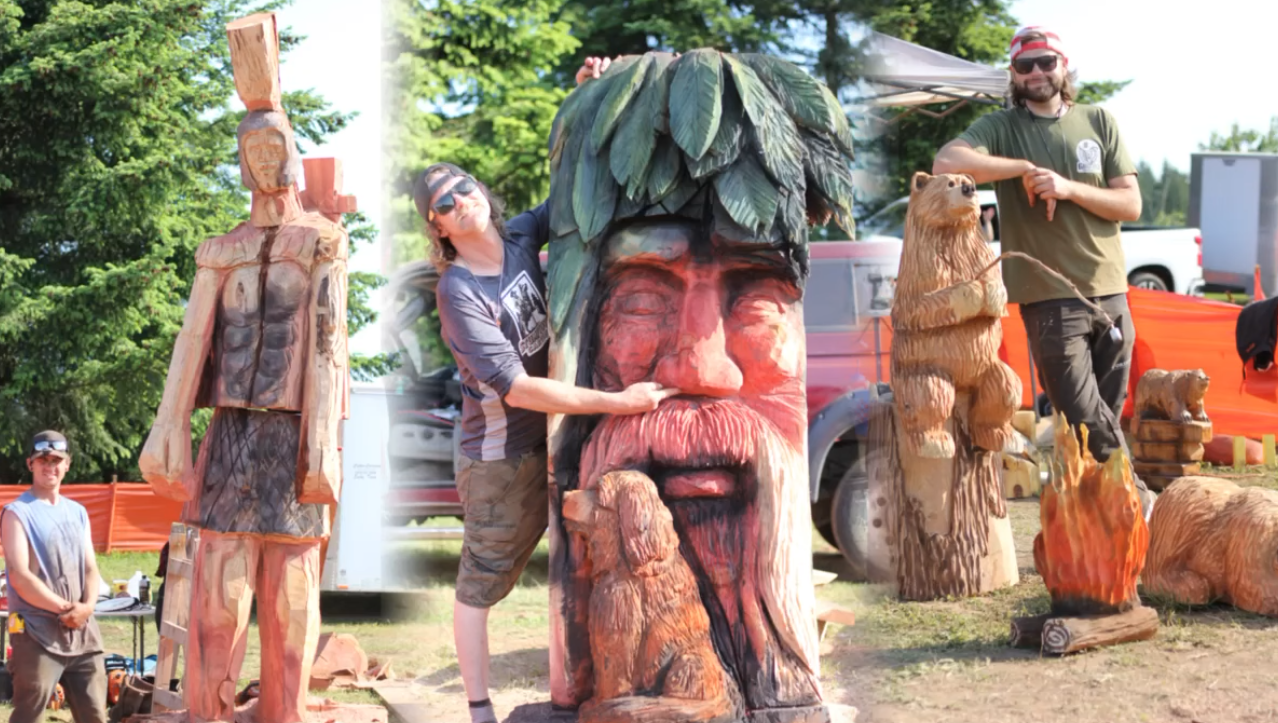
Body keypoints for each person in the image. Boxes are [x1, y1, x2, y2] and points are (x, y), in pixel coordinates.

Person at [413, 56, 676, 723]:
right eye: (443, 202)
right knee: (482, 584)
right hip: (499, 460)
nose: (460, 200)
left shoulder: (523, 235)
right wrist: (619, 403)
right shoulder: (458, 291)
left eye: (463, 186)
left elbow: (578, 177)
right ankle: (477, 710)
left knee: (577, 568)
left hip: (558, 442)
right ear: (437, 226)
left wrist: (591, 95)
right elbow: (520, 388)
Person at [933, 25, 1156, 517]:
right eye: (1025, 65)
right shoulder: (1001, 126)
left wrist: (1068, 188)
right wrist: (1021, 169)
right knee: (1081, 410)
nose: (1037, 72)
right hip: (1048, 297)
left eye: (1046, 62)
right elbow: (946, 160)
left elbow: (1131, 204)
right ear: (1013, 74)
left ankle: (1101, 525)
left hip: (1111, 292)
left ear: (1063, 66)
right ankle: (1139, 503)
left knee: (1099, 419)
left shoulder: (1100, 120)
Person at [1, 431, 107, 723]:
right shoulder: (16, 513)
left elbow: (90, 569)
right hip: (35, 632)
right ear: (30, 464)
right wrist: (67, 610)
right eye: (43, 460)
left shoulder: (78, 512)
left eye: (56, 460)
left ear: (67, 464)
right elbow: (20, 577)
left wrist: (87, 608)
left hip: (82, 632)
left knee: (96, 714)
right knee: (29, 715)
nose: (50, 466)